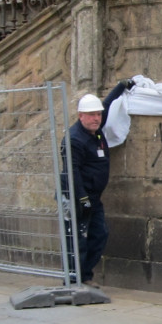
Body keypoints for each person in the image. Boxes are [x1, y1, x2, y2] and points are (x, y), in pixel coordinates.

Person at [60, 79, 133, 288]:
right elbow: (71, 172)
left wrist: (121, 86)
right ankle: (75, 280)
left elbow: (108, 104)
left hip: (93, 196)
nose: (96, 118)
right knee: (77, 239)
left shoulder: (96, 130)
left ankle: (84, 275)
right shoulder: (74, 139)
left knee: (99, 234)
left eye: (98, 115)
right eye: (91, 115)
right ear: (80, 116)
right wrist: (82, 198)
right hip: (76, 196)